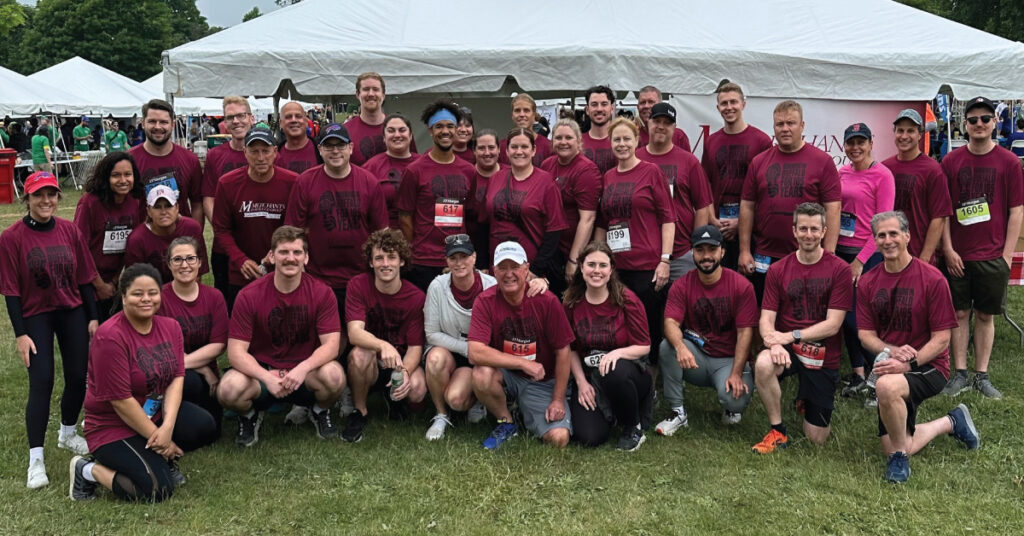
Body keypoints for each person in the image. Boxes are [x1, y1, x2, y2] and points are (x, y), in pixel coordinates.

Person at [70, 263, 218, 502]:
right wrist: (164, 443)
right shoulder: (110, 337)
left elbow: (176, 377)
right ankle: (86, 471)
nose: (146, 299)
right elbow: (121, 402)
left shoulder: (170, 327)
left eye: (152, 293)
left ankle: (153, 455)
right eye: (137, 293)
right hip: (112, 425)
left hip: (153, 413)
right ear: (124, 296)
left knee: (204, 427)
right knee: (157, 490)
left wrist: (167, 427)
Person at [854, 210, 979, 483]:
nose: (888, 240)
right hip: (892, 363)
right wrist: (891, 349)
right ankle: (952, 422)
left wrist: (907, 363)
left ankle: (899, 459)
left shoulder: (932, 279)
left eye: (893, 234)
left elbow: (942, 339)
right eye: (881, 235)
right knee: (894, 439)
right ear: (875, 241)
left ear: (907, 236)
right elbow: (865, 334)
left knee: (886, 386)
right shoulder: (868, 282)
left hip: (930, 365)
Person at [1, 171, 98, 489]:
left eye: (52, 194)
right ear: (26, 198)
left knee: (77, 376)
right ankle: (36, 459)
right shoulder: (12, 237)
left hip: (71, 310)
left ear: (59, 197)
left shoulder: (69, 230)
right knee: (41, 380)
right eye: (39, 195)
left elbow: (84, 278)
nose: (46, 201)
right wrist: (20, 334)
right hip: (35, 316)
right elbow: (11, 289)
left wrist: (93, 317)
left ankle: (67, 433)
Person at [217, 226, 345, 447]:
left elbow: (331, 346)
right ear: (272, 256)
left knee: (334, 376)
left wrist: (301, 369)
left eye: (297, 253)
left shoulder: (322, 293)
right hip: (263, 373)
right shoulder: (249, 295)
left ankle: (319, 411)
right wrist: (267, 377)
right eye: (284, 252)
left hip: (305, 373)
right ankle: (249, 416)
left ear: (306, 258)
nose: (290, 258)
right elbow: (236, 353)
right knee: (228, 390)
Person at [751, 202, 853, 454]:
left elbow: (833, 325)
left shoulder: (839, 270)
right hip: (787, 349)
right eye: (803, 229)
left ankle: (805, 397)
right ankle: (778, 430)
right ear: (794, 231)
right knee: (763, 364)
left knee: (816, 439)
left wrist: (790, 335)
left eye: (814, 229)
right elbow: (766, 319)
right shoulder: (777, 269)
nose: (809, 235)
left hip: (822, 355)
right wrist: (774, 342)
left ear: (824, 231)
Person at [940, 96, 1024, 400]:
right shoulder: (950, 161)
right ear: (965, 125)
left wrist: (1006, 255)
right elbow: (944, 211)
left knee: (986, 316)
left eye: (984, 119)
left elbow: (1017, 210)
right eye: (973, 120)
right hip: (958, 256)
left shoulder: (1009, 162)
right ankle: (959, 374)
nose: (978, 124)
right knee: (959, 313)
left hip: (993, 256)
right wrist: (948, 250)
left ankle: (982, 375)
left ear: (995, 124)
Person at [285, 123, 388, 351]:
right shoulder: (305, 181)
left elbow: (380, 233)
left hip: (359, 276)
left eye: (340, 145)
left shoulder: (369, 182)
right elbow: (293, 231)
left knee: (358, 340)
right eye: (328, 146)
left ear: (351, 148)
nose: (335, 151)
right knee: (324, 338)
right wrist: (299, 267)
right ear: (319, 150)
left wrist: (378, 269)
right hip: (318, 276)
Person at [468, 242, 575, 450]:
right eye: (502, 267)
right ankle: (506, 422)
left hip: (543, 380)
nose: (509, 274)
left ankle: (524, 411)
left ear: (526, 269)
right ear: (494, 271)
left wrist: (558, 400)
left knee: (559, 438)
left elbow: (563, 351)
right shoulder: (485, 300)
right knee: (481, 375)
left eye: (515, 267)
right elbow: (474, 352)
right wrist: (522, 364)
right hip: (510, 373)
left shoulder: (547, 301)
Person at [656, 225, 757, 435]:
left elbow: (745, 333)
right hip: (698, 357)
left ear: (722, 251)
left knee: (734, 401)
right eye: (700, 250)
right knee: (668, 347)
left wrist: (737, 372)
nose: (706, 256)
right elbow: (670, 323)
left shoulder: (741, 285)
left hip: (729, 359)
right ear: (692, 253)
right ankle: (678, 412)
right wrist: (680, 347)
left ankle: (730, 408)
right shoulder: (682, 285)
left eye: (712, 250)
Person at [739, 100, 842, 303]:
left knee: (803, 314)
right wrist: (744, 250)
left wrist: (828, 254)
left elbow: (833, 209)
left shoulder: (822, 161)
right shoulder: (759, 162)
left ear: (802, 125)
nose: (785, 129)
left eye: (791, 123)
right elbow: (747, 206)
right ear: (774, 127)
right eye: (780, 124)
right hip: (765, 255)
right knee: (764, 312)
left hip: (808, 254)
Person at [595, 117, 674, 365]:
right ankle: (623, 367)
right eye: (616, 139)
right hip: (616, 267)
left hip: (646, 266)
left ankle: (650, 376)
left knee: (648, 323)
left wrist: (665, 260)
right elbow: (602, 223)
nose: (622, 144)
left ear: (637, 140)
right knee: (619, 322)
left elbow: (668, 219)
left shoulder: (651, 172)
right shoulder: (607, 176)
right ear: (610, 143)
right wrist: (597, 258)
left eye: (626, 139)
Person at [563, 241, 652, 450]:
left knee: (614, 369)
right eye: (591, 264)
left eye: (602, 265)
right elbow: (570, 349)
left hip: (627, 373)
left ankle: (632, 426)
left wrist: (617, 353)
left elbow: (644, 345)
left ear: (611, 269)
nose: (596, 271)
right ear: (581, 267)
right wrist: (581, 383)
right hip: (590, 376)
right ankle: (610, 413)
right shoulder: (570, 303)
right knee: (589, 437)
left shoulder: (627, 300)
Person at [343, 229, 427, 442]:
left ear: (401, 261)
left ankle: (395, 399)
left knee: (417, 389)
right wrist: (382, 345)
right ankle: (359, 411)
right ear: (371, 263)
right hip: (370, 364)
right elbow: (354, 333)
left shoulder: (416, 297)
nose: (385, 263)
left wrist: (405, 372)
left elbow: (416, 347)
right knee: (359, 354)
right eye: (379, 258)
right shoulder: (358, 285)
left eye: (391, 257)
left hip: (399, 363)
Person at [834, 123, 895, 402]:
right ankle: (859, 374)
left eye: (861, 142)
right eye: (850, 143)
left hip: (866, 255)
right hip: (840, 251)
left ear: (871, 143)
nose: (855, 148)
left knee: (859, 320)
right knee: (844, 317)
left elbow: (882, 225)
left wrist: (859, 261)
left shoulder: (883, 176)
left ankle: (880, 379)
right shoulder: (841, 173)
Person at [213, 125, 298, 311]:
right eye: (254, 151)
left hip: (281, 267)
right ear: (244, 152)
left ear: (275, 152)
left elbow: (295, 226)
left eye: (266, 151)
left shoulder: (292, 182)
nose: (260, 158)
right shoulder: (227, 184)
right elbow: (221, 229)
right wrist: (240, 259)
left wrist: (277, 254)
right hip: (242, 272)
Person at [396, 100, 478, 291]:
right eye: (439, 126)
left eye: (450, 126)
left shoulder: (468, 171)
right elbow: (405, 216)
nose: (445, 131)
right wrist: (413, 251)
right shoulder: (414, 171)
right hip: (424, 260)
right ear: (430, 131)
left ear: (457, 129)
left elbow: (470, 213)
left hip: (458, 257)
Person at [422, 234, 497, 440]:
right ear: (446, 261)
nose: (459, 263)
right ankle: (440, 415)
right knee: (435, 359)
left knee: (456, 399)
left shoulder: (491, 285)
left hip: (482, 355)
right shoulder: (438, 286)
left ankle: (479, 399)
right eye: (453, 258)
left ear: (474, 257)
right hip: (453, 352)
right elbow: (431, 334)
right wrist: (466, 348)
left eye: (464, 256)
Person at [482, 128, 567, 293]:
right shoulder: (495, 179)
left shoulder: (546, 182)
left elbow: (554, 231)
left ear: (533, 150)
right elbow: (484, 224)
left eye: (524, 147)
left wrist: (535, 269)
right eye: (514, 147)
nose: (519, 151)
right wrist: (484, 264)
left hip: (531, 270)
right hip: (498, 267)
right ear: (506, 151)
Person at [158, 237, 228, 437]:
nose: (185, 265)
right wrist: (202, 367)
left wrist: (203, 368)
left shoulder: (214, 297)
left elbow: (218, 345)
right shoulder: (160, 298)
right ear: (169, 264)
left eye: (190, 258)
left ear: (199, 262)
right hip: (169, 374)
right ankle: (161, 411)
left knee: (212, 432)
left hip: (206, 377)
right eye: (178, 259)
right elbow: (163, 349)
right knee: (191, 381)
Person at [637, 102, 713, 281]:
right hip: (644, 253)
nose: (661, 127)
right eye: (657, 121)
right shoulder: (636, 158)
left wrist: (696, 245)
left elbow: (702, 207)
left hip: (681, 253)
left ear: (674, 127)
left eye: (667, 122)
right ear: (648, 123)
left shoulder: (688, 161)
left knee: (685, 304)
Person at [701, 82, 773, 271]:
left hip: (753, 232)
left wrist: (741, 223)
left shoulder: (762, 141)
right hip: (719, 229)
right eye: (724, 103)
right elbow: (705, 184)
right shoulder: (711, 142)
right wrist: (712, 219)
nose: (729, 107)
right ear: (718, 108)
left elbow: (767, 192)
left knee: (751, 286)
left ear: (743, 104)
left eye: (733, 102)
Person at [73, 152, 146, 322]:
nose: (123, 180)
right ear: (106, 177)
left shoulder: (134, 201)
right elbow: (79, 247)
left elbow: (130, 243)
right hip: (86, 281)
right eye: (116, 175)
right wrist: (99, 285)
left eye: (128, 174)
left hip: (113, 282)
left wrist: (113, 282)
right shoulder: (89, 202)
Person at [881, 109, 952, 263]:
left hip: (918, 255)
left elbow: (939, 218)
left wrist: (924, 258)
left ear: (920, 135)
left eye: (910, 131)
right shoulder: (884, 168)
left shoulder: (933, 170)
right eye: (900, 130)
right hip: (887, 256)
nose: (904, 136)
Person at [203, 96, 256, 299]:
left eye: (241, 116)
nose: (236, 121)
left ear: (251, 118)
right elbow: (208, 197)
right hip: (224, 247)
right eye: (230, 117)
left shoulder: (265, 153)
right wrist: (222, 228)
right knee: (227, 302)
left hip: (256, 242)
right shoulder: (215, 155)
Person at [540, 118, 603, 285]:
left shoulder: (586, 170)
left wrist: (574, 260)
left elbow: (587, 219)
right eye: (558, 138)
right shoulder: (547, 165)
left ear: (578, 141)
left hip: (570, 250)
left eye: (568, 138)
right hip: (550, 248)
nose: (563, 142)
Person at [129, 99, 204, 222]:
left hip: (180, 237)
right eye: (152, 121)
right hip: (142, 238)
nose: (158, 127)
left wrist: (193, 237)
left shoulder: (190, 160)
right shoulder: (128, 160)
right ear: (143, 123)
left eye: (164, 122)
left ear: (173, 125)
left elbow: (197, 205)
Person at [123, 185, 208, 285]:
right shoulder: (136, 239)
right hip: (152, 294)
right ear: (149, 211)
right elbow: (135, 282)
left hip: (186, 289)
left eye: (168, 206)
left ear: (176, 207)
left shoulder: (192, 228)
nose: (163, 212)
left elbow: (197, 275)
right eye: (157, 207)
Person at [362, 113, 421, 229]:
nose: (397, 135)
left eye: (402, 130)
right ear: (384, 137)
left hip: (421, 236)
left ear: (410, 135)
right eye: (391, 131)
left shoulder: (424, 164)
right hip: (386, 237)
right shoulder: (370, 167)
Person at [346, 72, 415, 165]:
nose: (371, 94)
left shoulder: (400, 130)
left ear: (383, 94)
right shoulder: (346, 131)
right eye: (366, 89)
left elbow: (414, 164)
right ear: (358, 94)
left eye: (375, 89)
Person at [471, 129, 503, 270]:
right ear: (474, 151)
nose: (487, 152)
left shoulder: (510, 174)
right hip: (472, 248)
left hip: (503, 248)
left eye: (491, 147)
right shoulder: (467, 174)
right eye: (481, 148)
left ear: (499, 149)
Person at [500, 94, 551, 166]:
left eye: (526, 110)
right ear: (512, 115)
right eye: (517, 110)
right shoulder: (501, 147)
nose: (521, 114)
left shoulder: (548, 146)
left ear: (534, 115)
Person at [636, 85, 691, 151]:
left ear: (660, 104)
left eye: (651, 102)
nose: (646, 106)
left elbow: (688, 160)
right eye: (642, 102)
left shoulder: (678, 136)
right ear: (638, 107)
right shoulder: (632, 136)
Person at [275, 101, 320, 174]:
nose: (294, 120)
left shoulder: (321, 150)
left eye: (298, 116)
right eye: (288, 117)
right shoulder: (275, 155)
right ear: (281, 123)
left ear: (306, 121)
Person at [581, 85, 618, 174]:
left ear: (612, 108)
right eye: (594, 104)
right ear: (587, 109)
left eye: (604, 104)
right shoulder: (577, 143)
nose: (599, 109)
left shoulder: (623, 142)